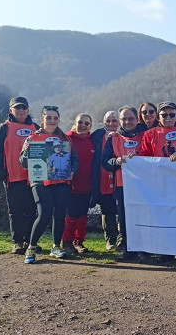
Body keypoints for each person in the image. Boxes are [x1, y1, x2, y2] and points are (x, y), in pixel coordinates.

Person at [19, 106, 79, 264]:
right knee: (44, 213)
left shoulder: (66, 139)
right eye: (48, 118)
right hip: (40, 182)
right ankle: (31, 248)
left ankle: (56, 247)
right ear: (42, 120)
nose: (52, 121)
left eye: (55, 118)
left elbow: (74, 159)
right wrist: (25, 152)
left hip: (62, 181)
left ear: (59, 119)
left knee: (60, 215)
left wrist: (72, 170)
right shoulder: (32, 138)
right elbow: (24, 163)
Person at [0, 97, 38, 255]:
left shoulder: (36, 127)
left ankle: (30, 241)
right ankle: (17, 242)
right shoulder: (2, 129)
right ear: (11, 110)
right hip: (12, 178)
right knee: (15, 211)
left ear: (28, 110)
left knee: (32, 210)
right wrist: (0, 174)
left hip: (33, 178)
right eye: (18, 108)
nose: (21, 111)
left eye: (24, 108)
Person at [101, 105, 145, 260]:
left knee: (144, 217)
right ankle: (128, 249)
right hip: (122, 185)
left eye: (131, 118)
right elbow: (105, 161)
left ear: (137, 119)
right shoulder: (113, 138)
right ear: (119, 121)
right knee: (125, 219)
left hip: (145, 185)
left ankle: (145, 250)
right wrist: (116, 161)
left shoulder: (145, 135)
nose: (127, 121)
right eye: (124, 119)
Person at [62, 113, 96, 254]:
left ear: (90, 126)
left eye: (86, 123)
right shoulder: (67, 139)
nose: (83, 125)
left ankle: (79, 241)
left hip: (87, 185)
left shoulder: (92, 142)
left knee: (83, 215)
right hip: (71, 185)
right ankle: (67, 242)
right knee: (72, 215)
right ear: (75, 123)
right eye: (80, 122)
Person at [90, 111, 119, 250]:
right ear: (103, 122)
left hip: (120, 178)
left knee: (122, 210)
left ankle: (124, 240)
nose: (111, 124)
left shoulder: (125, 134)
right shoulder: (96, 135)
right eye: (108, 121)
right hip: (102, 178)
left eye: (114, 121)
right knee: (107, 211)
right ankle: (110, 240)